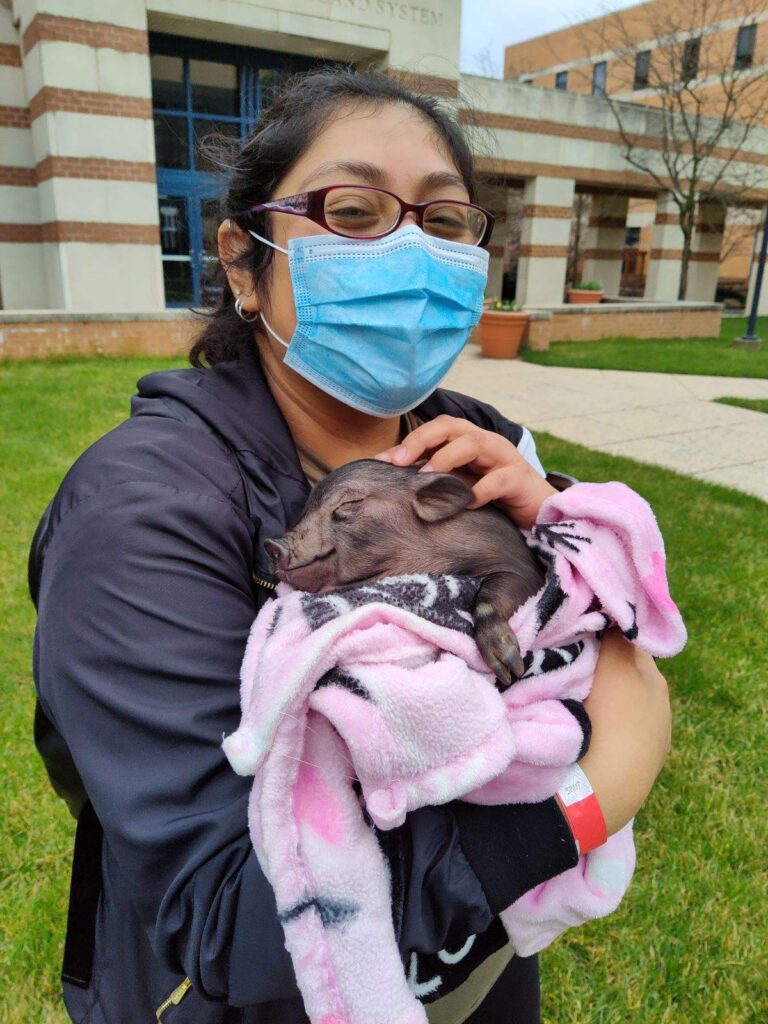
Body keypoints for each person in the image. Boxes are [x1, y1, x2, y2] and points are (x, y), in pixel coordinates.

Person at [29, 69, 672, 1024]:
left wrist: (565, 530)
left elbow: (589, 606)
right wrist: (597, 790)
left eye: (446, 223)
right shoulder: (143, 512)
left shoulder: (474, 439)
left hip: (479, 976)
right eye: (355, 211)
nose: (410, 249)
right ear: (248, 265)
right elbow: (233, 925)